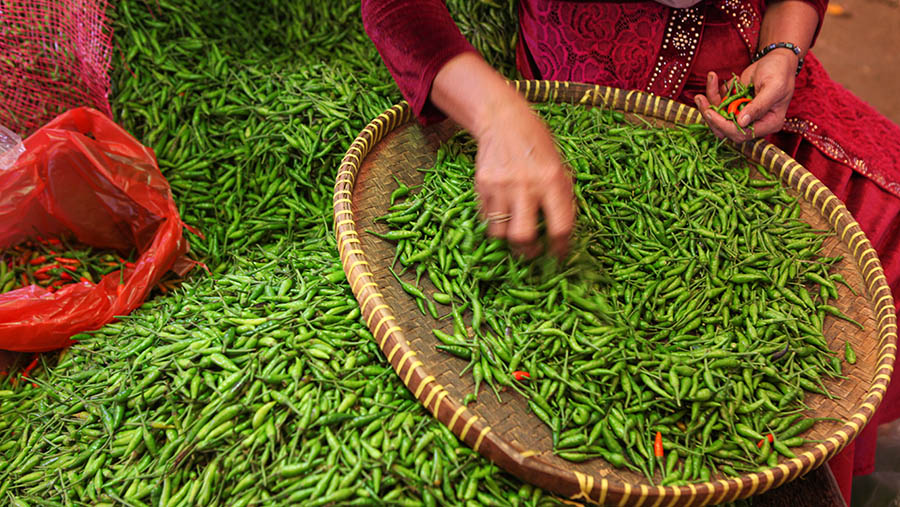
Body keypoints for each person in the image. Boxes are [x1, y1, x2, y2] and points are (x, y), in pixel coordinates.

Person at [361, 0, 900, 503]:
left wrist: (783, 48)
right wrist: (497, 116)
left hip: (747, 112)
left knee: (849, 288)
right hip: (570, 116)